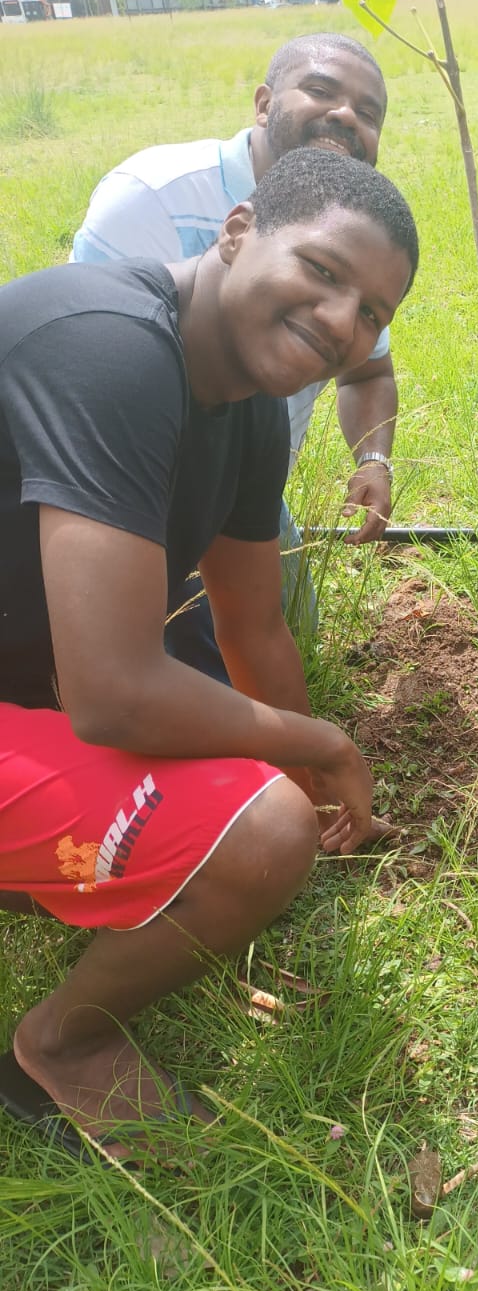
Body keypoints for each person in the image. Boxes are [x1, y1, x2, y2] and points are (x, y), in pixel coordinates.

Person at [0, 148, 418, 1159]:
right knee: (260, 834)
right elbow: (112, 695)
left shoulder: (246, 414)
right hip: (59, 696)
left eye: (370, 312)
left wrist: (314, 781)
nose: (340, 322)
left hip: (29, 691)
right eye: (322, 271)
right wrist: (311, 754)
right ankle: (61, 1041)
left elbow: (253, 628)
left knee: (269, 818)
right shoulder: (107, 346)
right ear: (236, 231)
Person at [73, 32, 398, 673]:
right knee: (161, 665)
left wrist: (375, 458)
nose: (344, 116)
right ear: (263, 102)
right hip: (123, 476)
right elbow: (91, 374)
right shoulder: (153, 199)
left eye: (368, 111)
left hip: (246, 478)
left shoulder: (351, 224)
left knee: (280, 634)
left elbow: (370, 370)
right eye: (322, 91)